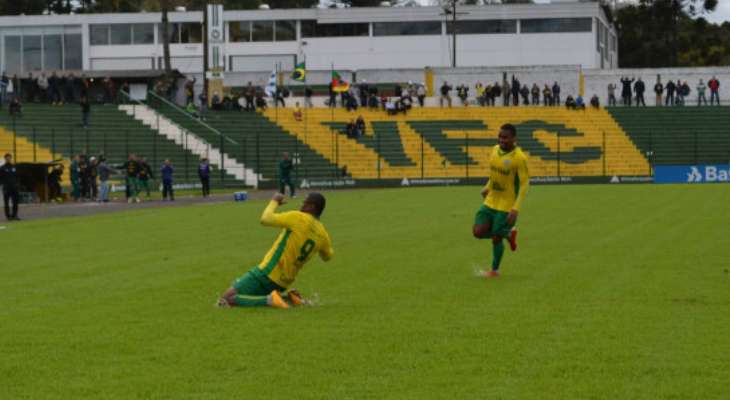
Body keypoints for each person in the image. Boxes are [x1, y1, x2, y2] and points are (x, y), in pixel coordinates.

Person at [217, 192, 333, 308]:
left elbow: (265, 219)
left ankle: (271, 300)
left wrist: (274, 202)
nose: (301, 206)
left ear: (311, 207)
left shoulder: (299, 218)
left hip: (267, 273)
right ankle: (290, 298)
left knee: (224, 301)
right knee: (245, 297)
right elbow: (327, 257)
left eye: (304, 203)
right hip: (283, 283)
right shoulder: (323, 235)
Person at [472, 124, 529, 277]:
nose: (502, 140)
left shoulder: (519, 157)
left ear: (513, 138)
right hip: (491, 200)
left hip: (507, 204)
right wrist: (487, 187)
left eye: (505, 137)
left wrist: (516, 208)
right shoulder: (495, 149)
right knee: (477, 232)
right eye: (500, 136)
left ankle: (494, 270)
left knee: (496, 236)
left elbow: (524, 183)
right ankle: (508, 234)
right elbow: (495, 174)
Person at [1, 153, 21, 221]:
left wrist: (17, 184)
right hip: (7, 187)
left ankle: (14, 215)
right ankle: (8, 216)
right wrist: (4, 184)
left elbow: (17, 176)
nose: (9, 159)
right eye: (7, 158)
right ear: (5, 159)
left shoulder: (14, 167)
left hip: (14, 187)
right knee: (6, 202)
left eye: (9, 158)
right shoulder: (3, 168)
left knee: (15, 202)